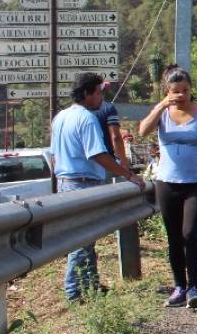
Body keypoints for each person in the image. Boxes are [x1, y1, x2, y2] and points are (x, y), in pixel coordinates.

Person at [51, 73, 145, 303]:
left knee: (87, 237)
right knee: (81, 239)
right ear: (87, 93)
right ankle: (74, 292)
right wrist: (128, 173)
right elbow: (98, 154)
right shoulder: (87, 118)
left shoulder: (60, 117)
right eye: (98, 92)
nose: (101, 98)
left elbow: (53, 156)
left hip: (65, 182)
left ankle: (91, 284)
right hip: (83, 182)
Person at [139, 66, 197, 310]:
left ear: (191, 89)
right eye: (176, 91)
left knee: (190, 233)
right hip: (167, 182)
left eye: (185, 90)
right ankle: (179, 286)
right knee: (174, 237)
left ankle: (194, 287)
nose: (181, 95)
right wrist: (161, 106)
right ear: (167, 91)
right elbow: (143, 131)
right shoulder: (163, 113)